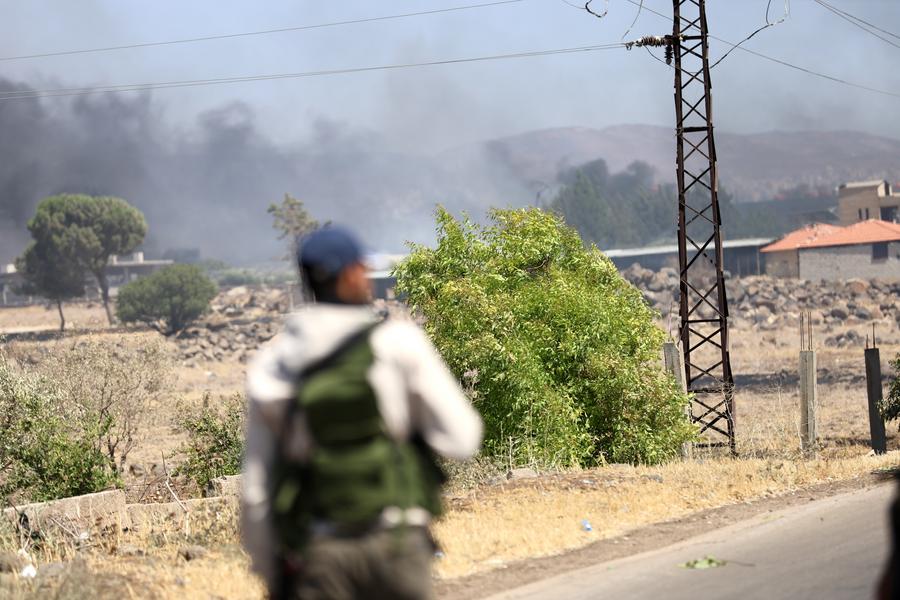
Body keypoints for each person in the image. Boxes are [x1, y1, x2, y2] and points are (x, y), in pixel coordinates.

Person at [241, 226, 483, 600]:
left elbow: (257, 491)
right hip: (398, 544)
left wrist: (270, 570)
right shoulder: (399, 344)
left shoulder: (274, 365)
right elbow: (462, 439)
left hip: (320, 554)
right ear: (352, 274)